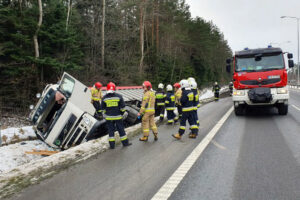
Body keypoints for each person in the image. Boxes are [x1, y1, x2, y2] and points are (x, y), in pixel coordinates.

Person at [100, 82, 132, 149]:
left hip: (109, 118)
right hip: (118, 117)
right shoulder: (119, 96)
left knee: (111, 131)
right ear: (114, 88)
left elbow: (102, 109)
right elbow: (123, 107)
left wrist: (104, 114)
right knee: (121, 130)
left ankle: (112, 146)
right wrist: (124, 112)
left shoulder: (104, 98)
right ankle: (125, 143)